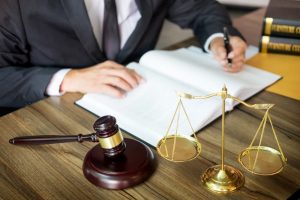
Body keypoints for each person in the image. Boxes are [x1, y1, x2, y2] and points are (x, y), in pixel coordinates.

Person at [0, 0, 247, 111]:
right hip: (55, 118)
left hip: (142, 108)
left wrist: (217, 38)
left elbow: (203, 8)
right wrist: (68, 79)